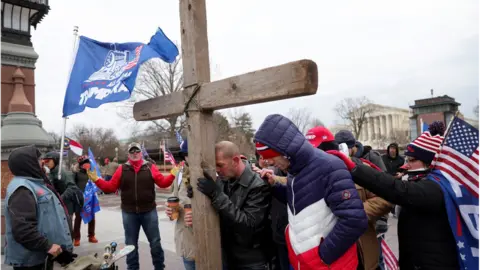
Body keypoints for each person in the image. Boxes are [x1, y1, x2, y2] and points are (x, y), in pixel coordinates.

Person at [327, 122, 459, 269]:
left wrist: (354, 168)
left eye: (412, 160)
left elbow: (394, 189)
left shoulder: (435, 188)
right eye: (407, 159)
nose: (406, 165)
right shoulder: (426, 182)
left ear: (431, 162)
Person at [254, 114, 368, 270]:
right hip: (306, 263)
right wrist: (273, 185)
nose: (269, 163)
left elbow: (354, 220)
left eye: (271, 158)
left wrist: (322, 256)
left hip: (330, 265)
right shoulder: (295, 169)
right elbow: (301, 200)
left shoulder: (330, 167)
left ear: (285, 151)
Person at [87, 142, 176, 270]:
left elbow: (162, 183)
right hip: (129, 213)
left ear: (141, 153)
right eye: (132, 152)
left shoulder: (150, 167)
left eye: (137, 151)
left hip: (149, 211)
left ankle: (159, 267)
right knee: (130, 245)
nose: (135, 154)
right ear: (128, 154)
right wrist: (97, 180)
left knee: (155, 243)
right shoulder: (122, 169)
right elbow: (110, 187)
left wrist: (172, 174)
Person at [195, 141, 272, 269]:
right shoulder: (224, 179)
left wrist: (216, 195)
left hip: (252, 261)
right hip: (228, 257)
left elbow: (249, 225)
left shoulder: (258, 185)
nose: (218, 170)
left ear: (235, 160)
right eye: (215, 166)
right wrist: (198, 195)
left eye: (220, 165)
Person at [4, 145, 76, 269]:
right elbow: (24, 230)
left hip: (42, 258)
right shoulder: (22, 189)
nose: (42, 162)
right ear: (28, 163)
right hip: (31, 262)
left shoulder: (35, 183)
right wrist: (51, 248)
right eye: (38, 160)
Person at [334, 130, 392, 270]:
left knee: (376, 260)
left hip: (368, 232)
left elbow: (386, 193)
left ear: (353, 147)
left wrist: (361, 213)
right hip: (343, 241)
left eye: (347, 148)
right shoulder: (332, 167)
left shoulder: (368, 163)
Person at [165, 140, 196, 270]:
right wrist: (170, 209)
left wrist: (200, 215)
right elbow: (175, 198)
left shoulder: (214, 173)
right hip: (186, 242)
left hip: (208, 242)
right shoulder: (180, 174)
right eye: (188, 153)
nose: (191, 156)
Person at [42, 152, 84, 222]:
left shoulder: (64, 173)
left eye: (48, 161)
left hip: (66, 207)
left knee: (66, 229)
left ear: (55, 160)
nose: (46, 163)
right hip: (55, 207)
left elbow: (72, 187)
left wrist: (61, 198)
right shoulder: (51, 173)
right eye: (45, 161)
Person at [72, 155, 98, 246]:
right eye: (85, 163)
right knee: (78, 219)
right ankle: (76, 238)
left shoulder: (91, 173)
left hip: (90, 199)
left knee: (92, 218)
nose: (87, 165)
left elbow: (96, 183)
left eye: (88, 163)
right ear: (81, 165)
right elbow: (72, 185)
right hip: (79, 199)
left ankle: (91, 236)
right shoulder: (76, 173)